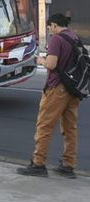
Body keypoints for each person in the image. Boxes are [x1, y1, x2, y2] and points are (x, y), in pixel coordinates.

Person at [17, 13, 82, 179]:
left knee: (44, 126)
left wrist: (40, 61)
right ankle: (68, 166)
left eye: (50, 27)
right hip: (73, 89)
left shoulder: (57, 40)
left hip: (57, 88)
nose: (50, 31)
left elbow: (52, 64)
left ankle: (38, 163)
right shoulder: (74, 37)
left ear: (54, 25)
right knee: (70, 128)